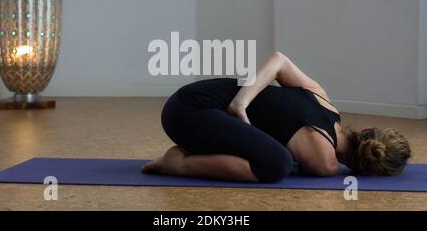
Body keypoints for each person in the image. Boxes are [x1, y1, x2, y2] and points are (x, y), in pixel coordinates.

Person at [142, 51, 411, 183]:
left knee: (278, 157)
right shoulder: (326, 164)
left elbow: (279, 60)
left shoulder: (324, 101)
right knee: (276, 165)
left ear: (369, 128)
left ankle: (195, 145)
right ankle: (176, 164)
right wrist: (241, 104)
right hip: (189, 114)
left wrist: (243, 101)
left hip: (189, 97)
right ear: (364, 168)